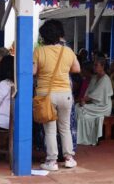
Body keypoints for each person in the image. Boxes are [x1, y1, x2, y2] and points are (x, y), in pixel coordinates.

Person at [33, 20, 80, 172]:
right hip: (65, 94)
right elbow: (77, 69)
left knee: (50, 129)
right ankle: (69, 158)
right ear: (60, 35)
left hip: (46, 95)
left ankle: (52, 161)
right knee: (65, 127)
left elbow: (33, 71)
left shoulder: (39, 51)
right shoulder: (68, 51)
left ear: (43, 36)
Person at [75, 57, 114, 145]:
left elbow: (96, 94)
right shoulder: (94, 77)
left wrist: (84, 100)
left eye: (96, 65)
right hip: (93, 104)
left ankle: (85, 138)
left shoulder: (105, 79)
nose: (94, 67)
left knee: (80, 109)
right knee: (77, 107)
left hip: (103, 106)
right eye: (94, 65)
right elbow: (88, 92)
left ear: (102, 66)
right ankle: (79, 137)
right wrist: (84, 100)